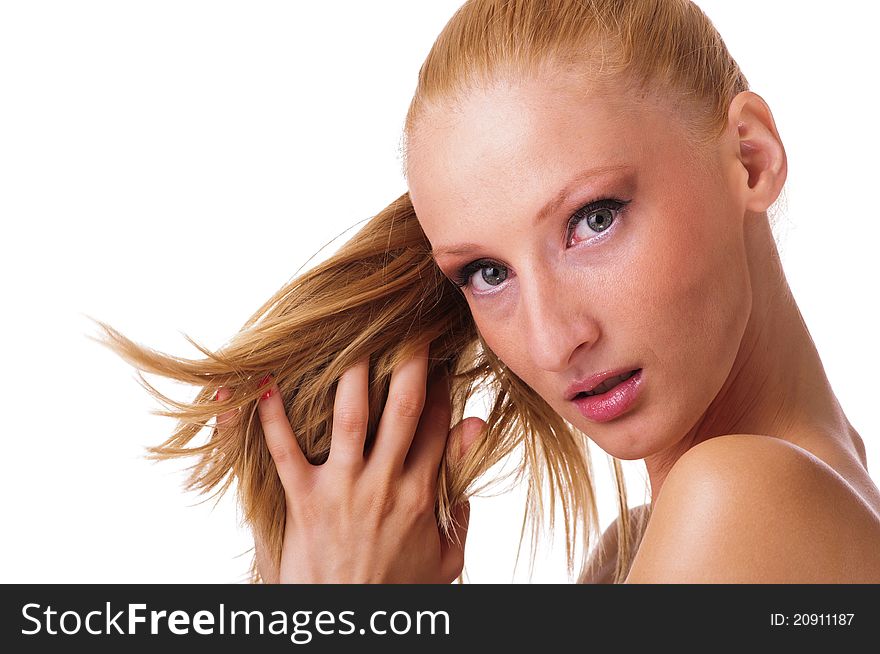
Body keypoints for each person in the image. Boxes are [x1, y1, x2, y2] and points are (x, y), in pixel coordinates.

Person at [96, 0, 880, 583]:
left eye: (593, 220)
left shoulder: (737, 505)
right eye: (488, 273)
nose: (551, 339)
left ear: (750, 156)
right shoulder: (652, 541)